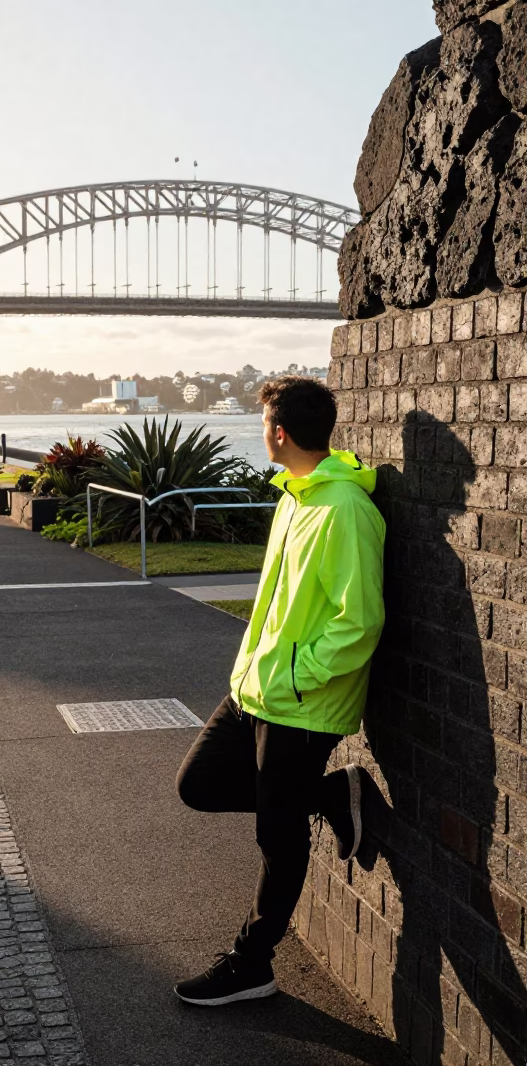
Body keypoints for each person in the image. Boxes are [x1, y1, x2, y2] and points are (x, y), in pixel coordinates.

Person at [174, 376, 385, 1006]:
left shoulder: (344, 508)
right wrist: (259, 674)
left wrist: (295, 675)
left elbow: (361, 620)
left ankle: (253, 963)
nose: (262, 431)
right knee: (199, 783)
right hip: (257, 690)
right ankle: (327, 793)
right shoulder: (297, 497)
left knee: (278, 833)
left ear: (280, 431)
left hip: (302, 701)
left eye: (264, 421)